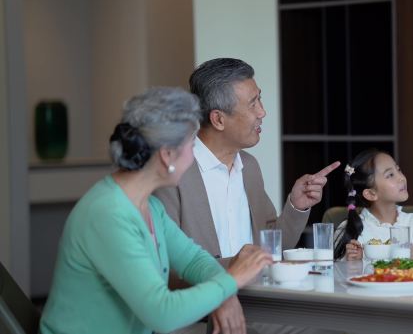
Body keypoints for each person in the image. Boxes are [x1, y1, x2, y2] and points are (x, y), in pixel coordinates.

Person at [39, 87, 272, 334]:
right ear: (167, 155)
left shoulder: (150, 206)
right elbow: (163, 313)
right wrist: (232, 280)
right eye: (192, 146)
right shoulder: (107, 215)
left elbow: (194, 260)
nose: (194, 157)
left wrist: (225, 296)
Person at [153, 58, 339, 332]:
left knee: (339, 324)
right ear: (218, 119)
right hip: (203, 313)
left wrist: (296, 206)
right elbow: (167, 270)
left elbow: (271, 249)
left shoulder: (249, 167)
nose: (262, 112)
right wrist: (238, 269)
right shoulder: (173, 174)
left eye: (259, 100)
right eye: (253, 104)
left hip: (262, 303)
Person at [332, 149, 413, 261]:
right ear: (371, 193)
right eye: (390, 175)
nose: (401, 178)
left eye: (398, 170)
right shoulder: (350, 228)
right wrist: (354, 262)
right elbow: (337, 272)